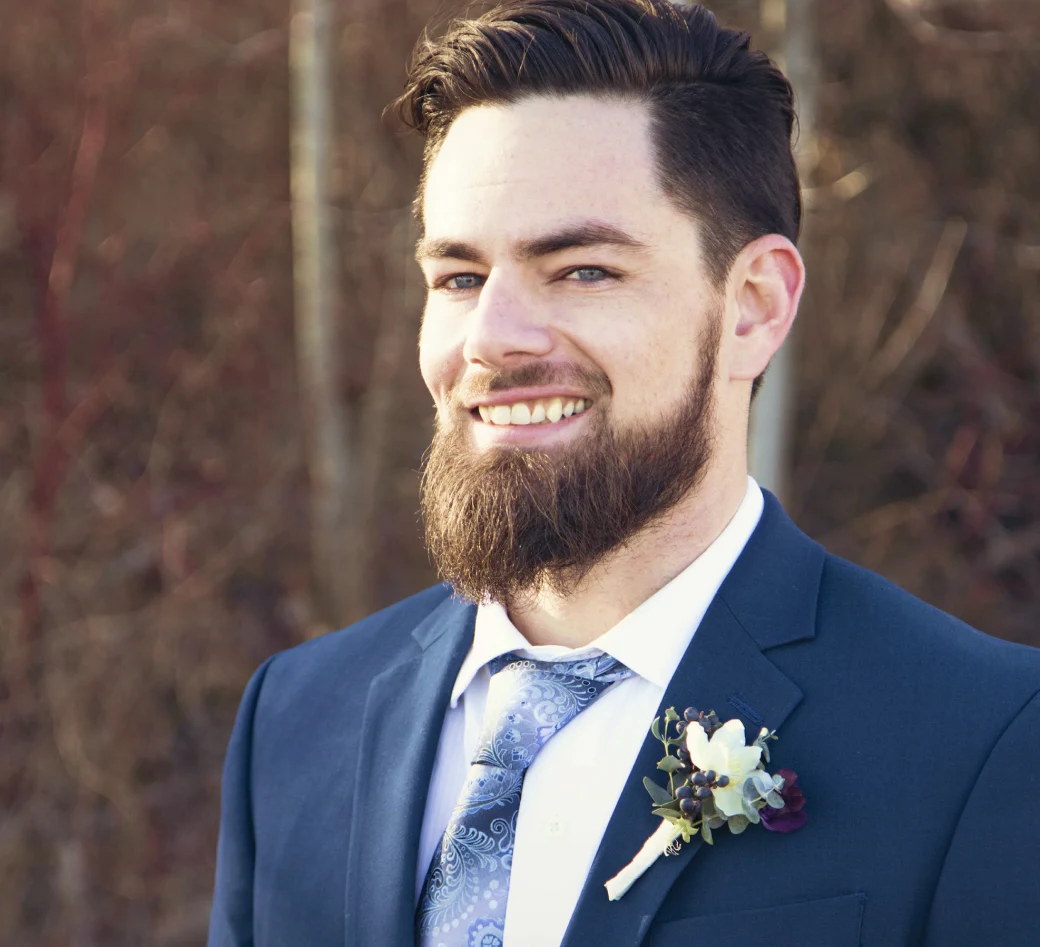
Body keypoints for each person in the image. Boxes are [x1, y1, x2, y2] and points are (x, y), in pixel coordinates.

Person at [206, 1, 1040, 944]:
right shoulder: (295, 718)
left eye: (582, 270)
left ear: (754, 307)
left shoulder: (982, 739)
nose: (492, 339)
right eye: (460, 278)